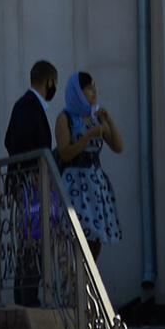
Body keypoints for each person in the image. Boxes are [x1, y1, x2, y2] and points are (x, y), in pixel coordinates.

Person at [4, 61, 59, 306]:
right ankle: (27, 294)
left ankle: (27, 292)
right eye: (53, 83)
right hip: (31, 187)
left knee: (33, 236)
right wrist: (32, 170)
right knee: (32, 237)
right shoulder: (29, 106)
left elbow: (9, 139)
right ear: (49, 81)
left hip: (29, 184)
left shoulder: (26, 105)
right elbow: (21, 141)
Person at [56, 73, 125, 250]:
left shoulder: (96, 117)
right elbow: (65, 153)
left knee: (96, 236)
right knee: (77, 235)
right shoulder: (65, 118)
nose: (94, 92)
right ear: (77, 92)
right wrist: (87, 137)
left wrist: (108, 120)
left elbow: (118, 147)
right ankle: (78, 276)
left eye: (94, 87)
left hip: (96, 184)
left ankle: (87, 275)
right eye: (88, 88)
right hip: (75, 183)